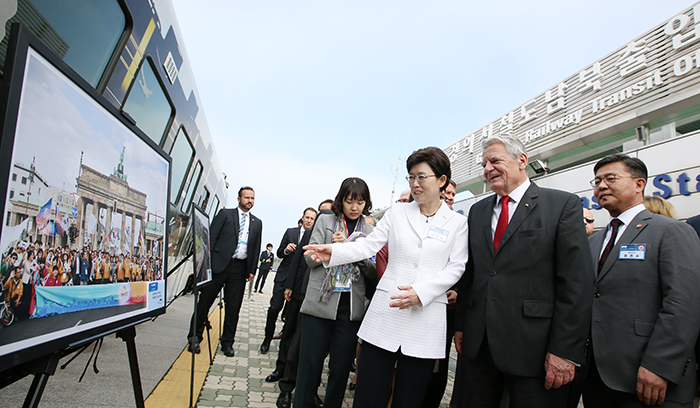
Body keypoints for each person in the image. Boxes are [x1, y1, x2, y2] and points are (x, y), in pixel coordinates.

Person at [304, 148, 468, 408]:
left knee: (409, 399)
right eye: (411, 177)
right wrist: (334, 252)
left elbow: (456, 267)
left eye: (421, 177)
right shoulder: (397, 213)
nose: (415, 183)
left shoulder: (458, 224)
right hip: (386, 315)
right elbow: (369, 246)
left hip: (426, 320)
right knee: (368, 397)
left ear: (442, 181)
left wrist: (421, 293)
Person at [453, 135, 593, 408]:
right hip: (479, 349)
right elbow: (472, 273)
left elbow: (576, 284)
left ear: (522, 161)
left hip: (535, 353)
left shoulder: (561, 205)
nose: (487, 169)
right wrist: (461, 325)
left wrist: (564, 351)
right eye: (484, 164)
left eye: (495, 161)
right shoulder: (477, 211)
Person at [583, 154, 700, 408]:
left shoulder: (671, 231)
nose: (601, 186)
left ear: (639, 184)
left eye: (610, 178)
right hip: (597, 379)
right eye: (597, 181)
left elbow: (684, 304)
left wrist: (660, 365)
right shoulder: (593, 242)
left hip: (651, 379)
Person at [294, 178, 377, 408]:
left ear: (366, 204)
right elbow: (310, 259)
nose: (354, 207)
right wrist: (331, 248)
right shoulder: (326, 220)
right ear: (341, 199)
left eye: (360, 202)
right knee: (309, 364)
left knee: (340, 368)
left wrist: (351, 251)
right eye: (350, 201)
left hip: (349, 309)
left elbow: (372, 270)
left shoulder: (371, 230)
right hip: (320, 303)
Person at [188, 186, 263, 357]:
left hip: (239, 269)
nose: (249, 201)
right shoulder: (225, 214)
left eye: (252, 198)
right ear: (239, 199)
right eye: (246, 197)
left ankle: (227, 342)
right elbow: (211, 238)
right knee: (205, 302)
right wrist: (207, 264)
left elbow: (256, 247)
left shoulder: (257, 223)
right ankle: (194, 337)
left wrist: (251, 269)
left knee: (233, 308)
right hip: (218, 266)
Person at [276, 200, 333, 408]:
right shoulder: (312, 233)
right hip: (305, 295)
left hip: (328, 302)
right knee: (296, 344)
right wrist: (290, 286)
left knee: (317, 353)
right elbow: (299, 262)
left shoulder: (346, 236)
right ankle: (286, 390)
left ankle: (310, 392)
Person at [261, 208, 317, 355]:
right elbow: (279, 253)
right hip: (284, 277)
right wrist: (286, 250)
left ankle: (286, 344)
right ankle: (267, 339)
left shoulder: (316, 237)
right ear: (302, 218)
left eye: (312, 218)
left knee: (291, 315)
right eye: (307, 217)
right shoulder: (290, 232)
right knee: (274, 308)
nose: (309, 220)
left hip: (300, 283)